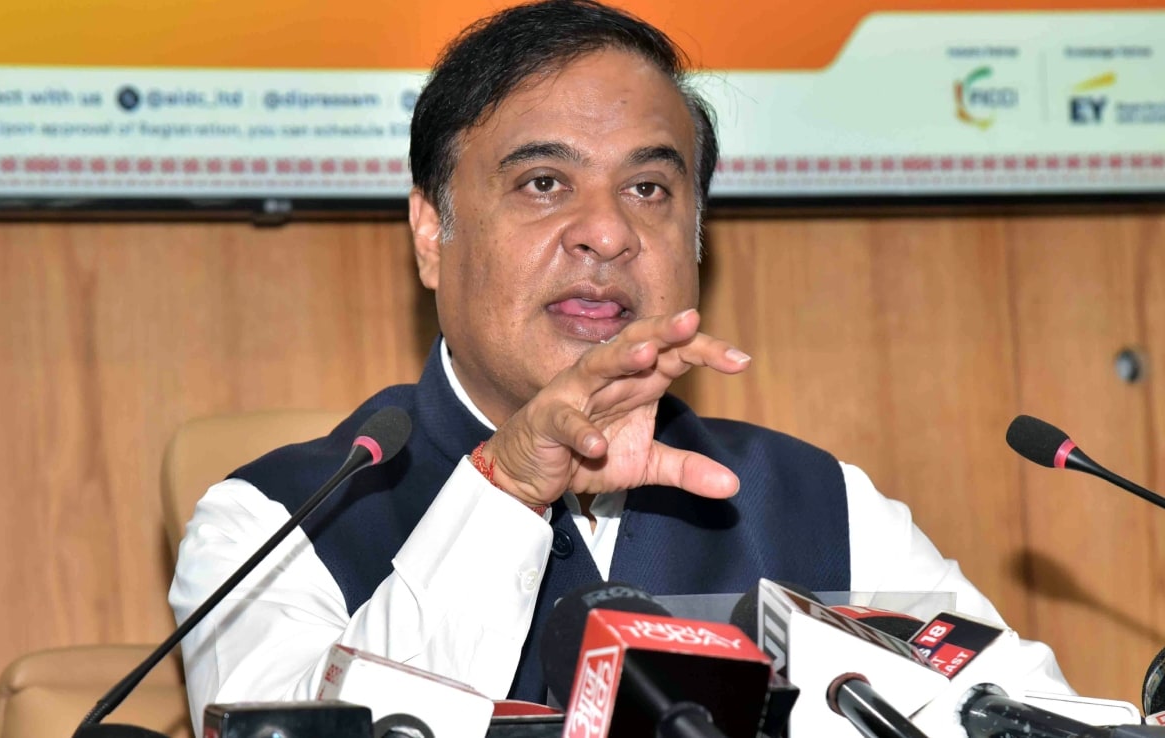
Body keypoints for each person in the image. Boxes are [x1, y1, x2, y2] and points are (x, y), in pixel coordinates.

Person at [169, 0, 1070, 730]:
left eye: (648, 188)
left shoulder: (824, 504)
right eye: (543, 183)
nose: (607, 232)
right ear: (432, 233)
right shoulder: (274, 526)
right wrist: (507, 491)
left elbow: (1033, 718)